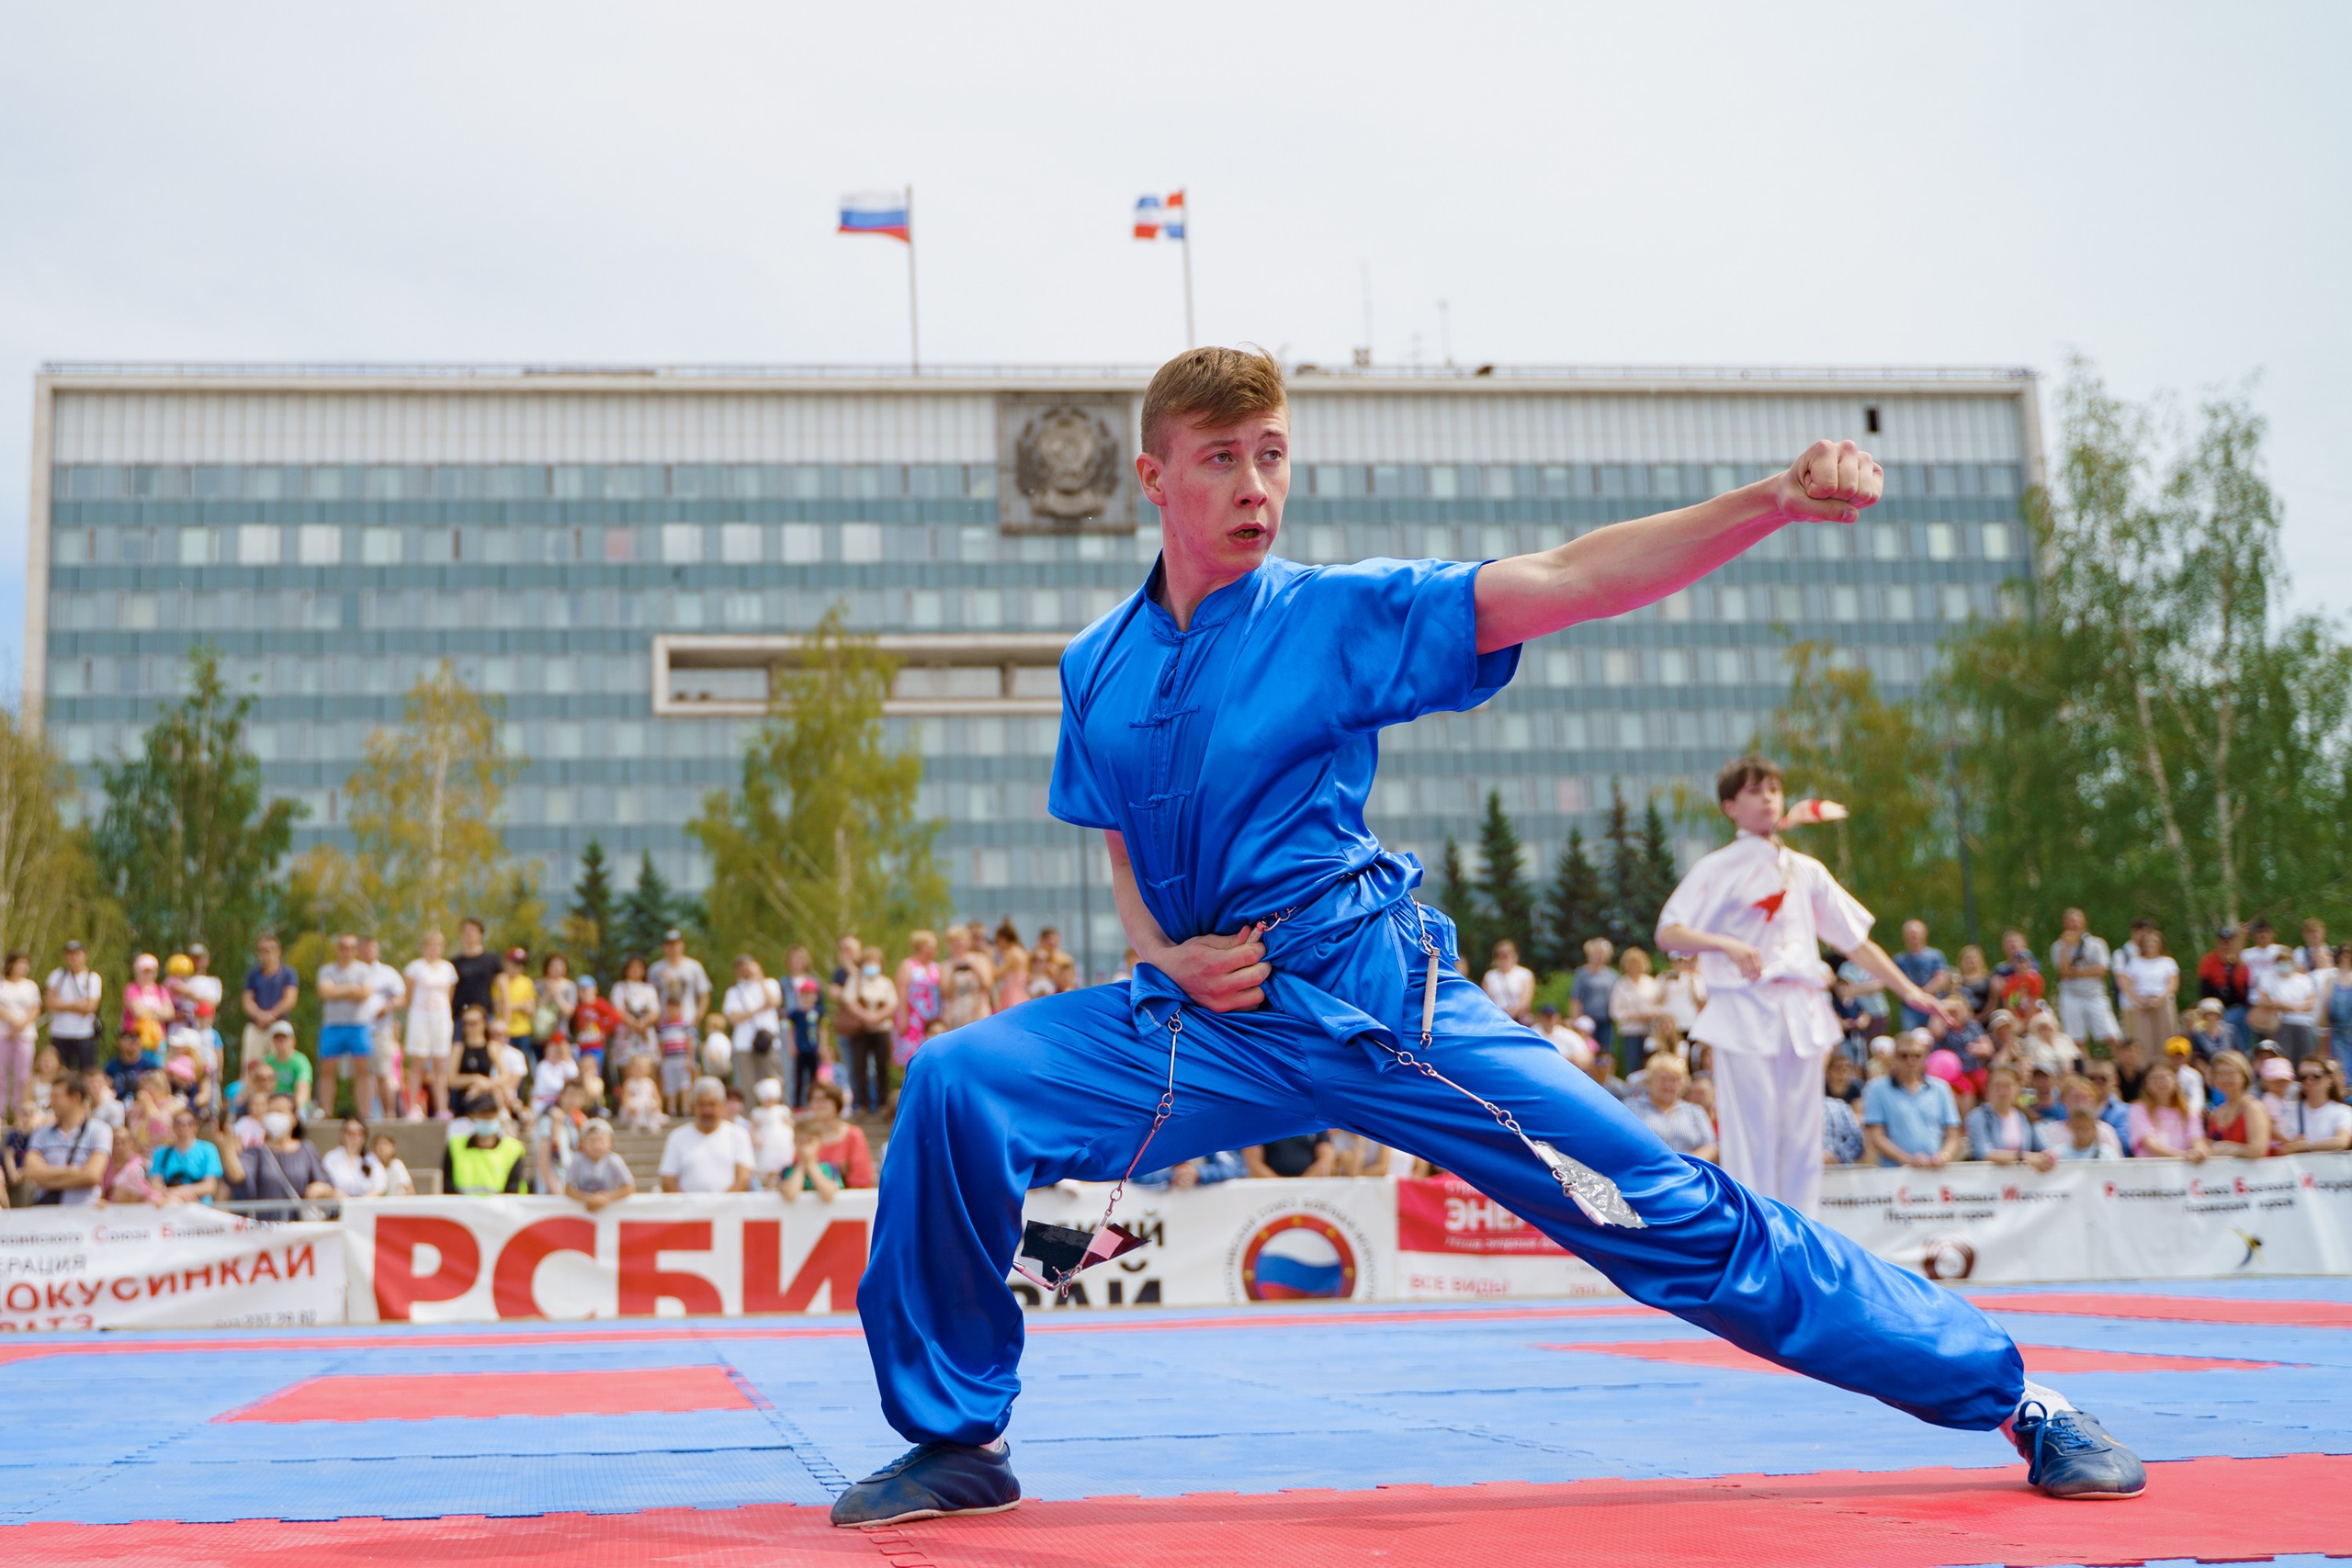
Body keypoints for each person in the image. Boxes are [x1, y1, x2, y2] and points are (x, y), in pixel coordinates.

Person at [831, 350, 2140, 1529]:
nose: (1254, 484)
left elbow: (1568, 578)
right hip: (1199, 1017)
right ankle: (960, 1438)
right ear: (1153, 476)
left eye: (1273, 453)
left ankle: (2015, 1391)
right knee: (955, 1083)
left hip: (1372, 996)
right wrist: (1154, 950)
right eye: (1222, 457)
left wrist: (1767, 501)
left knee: (1668, 1212)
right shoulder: (1093, 663)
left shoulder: (1335, 614)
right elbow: (1114, 827)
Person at [1656, 760, 1965, 1215]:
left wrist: (1910, 992)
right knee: (1753, 1130)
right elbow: (1670, 932)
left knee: (1803, 1134)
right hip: (1743, 1009)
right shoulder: (1717, 867)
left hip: (1802, 1010)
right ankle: (1756, 1232)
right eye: (1754, 791)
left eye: (1774, 790)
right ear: (1730, 807)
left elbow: (1855, 943)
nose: (1767, 798)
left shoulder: (1806, 870)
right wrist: (1725, 944)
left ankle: (1798, 1235)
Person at [1861, 1032, 1964, 1168]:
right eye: (1904, 1056)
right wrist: (1908, 1160)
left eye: (1917, 1055)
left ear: (1924, 1057)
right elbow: (1876, 1137)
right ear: (1894, 1058)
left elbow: (1953, 1134)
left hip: (1934, 1171)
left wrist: (1944, 1156)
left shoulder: (1940, 1088)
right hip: (1895, 1173)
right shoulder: (1877, 1089)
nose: (1911, 1061)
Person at [232, 1092, 335, 1214]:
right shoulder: (256, 1152)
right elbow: (238, 1176)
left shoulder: (306, 1150)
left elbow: (329, 1187)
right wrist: (227, 1147)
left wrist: (321, 1188)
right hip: (266, 1227)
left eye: (280, 1112)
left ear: (294, 1118)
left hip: (299, 1229)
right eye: (271, 1111)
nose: (274, 1116)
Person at [21, 1073, 110, 1204]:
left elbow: (92, 1175)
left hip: (84, 1215)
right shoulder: (41, 1133)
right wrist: (73, 1171)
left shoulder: (100, 1130)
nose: (51, 1103)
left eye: (56, 1097)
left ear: (75, 1098)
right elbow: (30, 1171)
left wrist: (48, 1181)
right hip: (46, 1214)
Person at [312, 932, 374, 1121]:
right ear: (337, 949)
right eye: (343, 947)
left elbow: (365, 993)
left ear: (356, 950)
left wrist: (338, 990)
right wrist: (351, 989)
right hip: (333, 1025)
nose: (346, 951)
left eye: (350, 947)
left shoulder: (364, 969)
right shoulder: (326, 970)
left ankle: (365, 1113)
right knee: (328, 1069)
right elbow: (324, 992)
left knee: (362, 1069)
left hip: (358, 1025)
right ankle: (326, 1111)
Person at [658, 1077, 753, 1193]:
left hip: (729, 1210)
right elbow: (668, 1181)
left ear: (722, 1105)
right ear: (694, 1106)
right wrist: (693, 1208)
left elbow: (744, 1178)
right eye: (702, 1104)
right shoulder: (677, 1137)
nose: (707, 1110)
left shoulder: (738, 1135)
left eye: (712, 1104)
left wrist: (720, 1206)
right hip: (689, 1210)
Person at [838, 943, 899, 1116]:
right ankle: (862, 1104)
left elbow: (892, 1003)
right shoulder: (855, 981)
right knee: (859, 1067)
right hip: (860, 1030)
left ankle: (882, 1104)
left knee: (882, 1067)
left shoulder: (885, 982)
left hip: (881, 1029)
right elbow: (849, 1001)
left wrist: (877, 1016)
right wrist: (865, 1016)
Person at [404, 930, 458, 1121]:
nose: (434, 949)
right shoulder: (415, 968)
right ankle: (412, 1106)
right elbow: (408, 996)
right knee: (417, 1064)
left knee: (440, 1065)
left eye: (438, 945)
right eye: (430, 945)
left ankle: (442, 1107)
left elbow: (449, 995)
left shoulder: (448, 969)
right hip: (420, 1018)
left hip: (441, 1018)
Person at [2050, 910, 2120, 1049]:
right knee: (2076, 1039)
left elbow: (2102, 970)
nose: (2073, 924)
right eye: (2069, 921)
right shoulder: (2057, 947)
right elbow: (2063, 972)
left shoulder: (2097, 944)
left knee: (2111, 1035)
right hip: (2071, 994)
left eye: (2076, 920)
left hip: (2094, 993)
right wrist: (2065, 947)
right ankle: (2083, 1067)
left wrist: (2075, 972)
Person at [1627, 1053, 1716, 1161]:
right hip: (1646, 1172)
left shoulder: (1695, 1112)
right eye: (1662, 1079)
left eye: (1674, 1079)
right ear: (1650, 1080)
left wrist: (1686, 1166)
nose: (1668, 1085)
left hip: (1687, 1174)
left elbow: (1709, 1146)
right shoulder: (1631, 1108)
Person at [1966, 1065, 2056, 1170]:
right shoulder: (1978, 1116)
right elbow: (1983, 1153)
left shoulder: (2024, 1116)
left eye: (2007, 1086)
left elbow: (2041, 1146)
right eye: (1997, 1086)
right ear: (1987, 1089)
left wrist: (2048, 1156)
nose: (2002, 1091)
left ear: (2018, 1088)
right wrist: (2022, 1157)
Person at [2113, 920, 2179, 1060]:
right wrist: (2139, 1001)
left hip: (2162, 1002)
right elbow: (2127, 985)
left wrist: (2160, 999)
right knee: (2143, 1040)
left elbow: (2172, 983)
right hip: (2142, 1004)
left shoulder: (2167, 962)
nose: (2151, 945)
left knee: (2166, 1037)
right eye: (2148, 942)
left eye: (2154, 942)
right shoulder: (2135, 963)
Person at [358, 935, 407, 1121]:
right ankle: (365, 1115)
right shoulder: (354, 971)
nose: (369, 951)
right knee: (362, 1075)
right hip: (358, 1029)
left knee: (383, 1072)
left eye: (372, 947)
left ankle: (389, 1114)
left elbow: (402, 997)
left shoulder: (388, 973)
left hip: (380, 1030)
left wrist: (387, 1007)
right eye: (365, 947)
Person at [724, 954, 786, 1094]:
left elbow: (774, 1001)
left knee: (773, 1080)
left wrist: (759, 977)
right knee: (747, 1085)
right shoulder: (733, 992)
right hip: (744, 1043)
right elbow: (733, 1017)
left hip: (767, 1040)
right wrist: (758, 1009)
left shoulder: (770, 984)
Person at [239, 934, 298, 1077]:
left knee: (278, 1065)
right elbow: (247, 1000)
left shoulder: (288, 974)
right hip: (256, 1026)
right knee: (251, 1067)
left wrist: (272, 1015)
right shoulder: (253, 975)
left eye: (271, 950)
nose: (267, 954)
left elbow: (290, 998)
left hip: (279, 1026)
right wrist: (259, 1015)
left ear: (279, 951)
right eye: (263, 950)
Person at [444, 1099, 529, 1195]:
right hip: (462, 1208)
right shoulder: (455, 1146)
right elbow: (448, 1185)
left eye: (492, 1114)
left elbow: (513, 1188)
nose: (488, 1118)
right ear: (472, 1117)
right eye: (483, 1114)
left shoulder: (513, 1149)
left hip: (501, 1209)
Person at [798, 1080, 875, 1188]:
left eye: (825, 1099)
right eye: (815, 1099)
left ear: (837, 1103)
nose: (819, 1104)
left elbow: (862, 1178)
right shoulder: (804, 1135)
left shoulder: (853, 1135)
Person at [44, 940, 104, 1076]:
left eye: (77, 954)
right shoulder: (57, 976)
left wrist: (62, 1004)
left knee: (86, 1072)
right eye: (69, 954)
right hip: (59, 1032)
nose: (73, 958)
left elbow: (90, 1007)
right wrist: (77, 1004)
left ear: (85, 955)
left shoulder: (92, 978)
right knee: (59, 1073)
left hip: (84, 1033)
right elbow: (49, 1003)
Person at [649, 928, 713, 1050]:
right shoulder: (655, 969)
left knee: (689, 1060)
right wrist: (655, 1020)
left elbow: (704, 994)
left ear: (682, 945)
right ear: (664, 947)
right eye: (669, 944)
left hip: (688, 1020)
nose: (673, 947)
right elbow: (652, 995)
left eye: (676, 944)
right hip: (665, 1023)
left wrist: (698, 1016)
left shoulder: (694, 967)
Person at [2203, 1050, 2271, 1160]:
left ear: (2244, 1076)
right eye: (2219, 1074)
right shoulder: (2216, 1113)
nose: (2225, 1078)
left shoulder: (2253, 1108)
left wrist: (2227, 1149)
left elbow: (2258, 1150)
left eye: (2231, 1073)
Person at [147, 1109, 226, 1202]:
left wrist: (181, 1192)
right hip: (169, 1201)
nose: (184, 1127)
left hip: (199, 1204)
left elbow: (210, 1186)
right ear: (173, 1127)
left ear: (195, 1127)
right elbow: (156, 1183)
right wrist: (173, 1194)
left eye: (189, 1123)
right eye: (179, 1123)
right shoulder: (161, 1152)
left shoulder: (208, 1150)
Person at [2274, 1059, 2352, 1154]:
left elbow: (2341, 1141)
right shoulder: (2287, 1109)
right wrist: (2289, 1143)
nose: (2309, 1081)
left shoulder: (2343, 1111)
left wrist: (2304, 1145)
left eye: (2316, 1076)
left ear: (2329, 1079)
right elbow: (2278, 1146)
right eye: (2303, 1077)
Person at [1606, 947, 1665, 1068]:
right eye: (1631, 964)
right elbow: (1615, 1012)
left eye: (1637, 964)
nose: (1634, 967)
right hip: (1631, 1031)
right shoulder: (1621, 985)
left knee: (1651, 1064)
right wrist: (1634, 1015)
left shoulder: (1651, 983)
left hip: (1650, 1030)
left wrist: (1650, 1013)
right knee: (1633, 1064)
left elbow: (1661, 1005)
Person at [783, 946, 826, 1108]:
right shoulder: (794, 1013)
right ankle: (797, 1105)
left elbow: (823, 1029)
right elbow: (789, 1029)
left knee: (815, 1077)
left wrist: (822, 1045)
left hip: (813, 1048)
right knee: (798, 1077)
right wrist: (791, 1045)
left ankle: (814, 1103)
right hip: (800, 1048)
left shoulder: (818, 1013)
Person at [1890, 921, 1951, 1033]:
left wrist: (1922, 994)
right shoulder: (1899, 959)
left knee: (1936, 1035)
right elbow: (1895, 981)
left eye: (1916, 933)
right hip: (1910, 1007)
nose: (1913, 936)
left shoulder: (1935, 955)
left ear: (1924, 934)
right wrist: (1914, 996)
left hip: (1934, 1003)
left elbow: (1941, 977)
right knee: (1912, 1037)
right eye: (1910, 933)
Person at [2198, 926, 2252, 1050]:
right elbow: (2205, 988)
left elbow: (2244, 989)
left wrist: (2233, 967)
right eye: (2223, 941)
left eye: (2229, 941)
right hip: (2217, 1007)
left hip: (2239, 1007)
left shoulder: (2241, 963)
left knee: (2243, 1027)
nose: (2226, 945)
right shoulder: (2209, 961)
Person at [2258, 958, 2321, 1066]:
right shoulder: (2270, 979)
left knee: (2305, 1057)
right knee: (2284, 1058)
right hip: (2282, 1023)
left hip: (2304, 1023)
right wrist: (2280, 1004)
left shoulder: (2304, 980)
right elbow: (2263, 1001)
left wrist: (2291, 1007)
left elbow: (2311, 1003)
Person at [0, 952, 40, 1119]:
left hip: (25, 1035)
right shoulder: (2, 985)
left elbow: (35, 1008)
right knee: (1, 1074)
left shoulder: (30, 986)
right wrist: (13, 1021)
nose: (23, 967)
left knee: (23, 1076)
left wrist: (22, 1024)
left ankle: (18, 1112)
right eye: (20, 963)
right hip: (4, 1034)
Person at [564, 1118, 635, 1210]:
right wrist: (588, 1199)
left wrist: (606, 1198)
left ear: (610, 1142)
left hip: (610, 1211)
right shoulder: (577, 1160)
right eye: (592, 1141)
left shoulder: (614, 1161)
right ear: (582, 1143)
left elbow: (629, 1186)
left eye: (601, 1140)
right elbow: (568, 1189)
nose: (597, 1145)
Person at [896, 931, 944, 1067]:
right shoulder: (908, 965)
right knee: (913, 1053)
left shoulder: (936, 967)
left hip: (932, 1017)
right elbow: (902, 991)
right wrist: (904, 1018)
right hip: (913, 1017)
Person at [2051, 1076, 2123, 1161]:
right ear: (2063, 1099)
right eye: (2076, 1097)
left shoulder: (2105, 1131)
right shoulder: (2051, 1131)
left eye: (2086, 1098)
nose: (2081, 1103)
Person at [1572, 939, 1618, 1065]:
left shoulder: (1612, 975)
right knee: (1587, 1049)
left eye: (1603, 954)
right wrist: (1576, 1020)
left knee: (1605, 1052)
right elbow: (1576, 997)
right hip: (1587, 1019)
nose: (1600, 956)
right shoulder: (1582, 974)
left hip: (1606, 1019)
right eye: (1597, 953)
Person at [939, 926, 993, 1033]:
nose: (958, 944)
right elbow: (946, 994)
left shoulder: (980, 959)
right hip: (956, 1013)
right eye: (954, 941)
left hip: (977, 1011)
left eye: (961, 940)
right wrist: (953, 973)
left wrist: (974, 967)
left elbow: (988, 985)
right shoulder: (946, 965)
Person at [610, 953, 660, 1071]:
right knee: (628, 1070)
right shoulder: (620, 987)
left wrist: (644, 1022)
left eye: (639, 967)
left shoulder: (649, 988)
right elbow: (618, 1009)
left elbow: (655, 1010)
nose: (635, 970)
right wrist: (633, 1023)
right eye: (632, 967)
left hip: (645, 1034)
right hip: (626, 1035)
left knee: (647, 1069)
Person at [322, 1115, 389, 1198]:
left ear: (364, 1137)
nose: (354, 1136)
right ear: (343, 1135)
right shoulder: (331, 1158)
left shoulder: (372, 1160)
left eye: (359, 1133)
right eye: (350, 1133)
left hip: (366, 1204)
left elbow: (380, 1186)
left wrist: (361, 1203)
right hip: (338, 1205)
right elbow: (327, 1185)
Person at [257, 1019, 312, 1115]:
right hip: (270, 1105)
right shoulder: (266, 1061)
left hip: (291, 1105)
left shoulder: (300, 1061)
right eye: (277, 1038)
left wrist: (294, 1108)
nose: (281, 1041)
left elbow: (303, 1090)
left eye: (284, 1038)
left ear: (293, 1040)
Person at [1481, 940, 1536, 1026]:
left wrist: (1512, 1012)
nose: (1505, 957)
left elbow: (1526, 1000)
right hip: (1496, 1020)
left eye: (1508, 953)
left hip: (1518, 1020)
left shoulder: (1525, 974)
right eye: (1501, 955)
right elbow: (1486, 1001)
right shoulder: (1489, 976)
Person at [372, 1132, 417, 1197]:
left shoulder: (396, 1164)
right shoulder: (372, 1166)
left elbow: (409, 1188)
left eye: (385, 1144)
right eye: (378, 1145)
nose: (381, 1147)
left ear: (393, 1148)